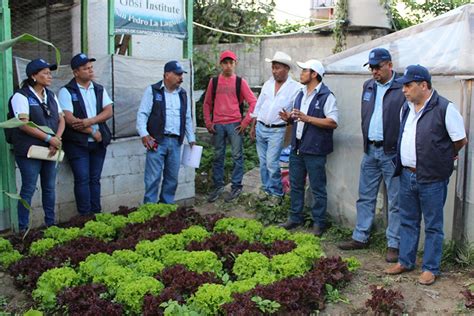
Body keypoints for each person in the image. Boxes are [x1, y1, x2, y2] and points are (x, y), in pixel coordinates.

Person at [384, 65, 467, 285]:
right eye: (403, 86)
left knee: (432, 224)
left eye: (408, 85)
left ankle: (431, 267)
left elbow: (460, 140)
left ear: (424, 85)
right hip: (407, 176)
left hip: (432, 178)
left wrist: (440, 158)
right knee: (408, 221)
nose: (404, 90)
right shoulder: (406, 108)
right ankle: (405, 260)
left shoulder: (445, 108)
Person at [338, 48, 405, 263]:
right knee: (365, 196)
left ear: (389, 65)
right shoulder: (368, 86)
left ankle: (393, 244)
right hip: (370, 151)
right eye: (371, 68)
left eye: (377, 67)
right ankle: (360, 236)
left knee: (394, 200)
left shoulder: (402, 86)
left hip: (391, 152)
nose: (374, 71)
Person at [279, 60, 338, 237]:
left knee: (317, 187)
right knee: (296, 184)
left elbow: (333, 122)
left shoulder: (327, 96)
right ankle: (295, 217)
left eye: (305, 70)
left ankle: (319, 222)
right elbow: (299, 117)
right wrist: (289, 118)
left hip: (315, 149)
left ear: (314, 74)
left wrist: (308, 118)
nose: (301, 73)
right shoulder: (301, 93)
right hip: (298, 147)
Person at [8, 58, 65, 231]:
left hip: (51, 149)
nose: (49, 76)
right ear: (33, 76)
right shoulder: (21, 96)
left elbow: (61, 119)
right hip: (30, 150)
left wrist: (57, 139)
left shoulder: (51, 95)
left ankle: (50, 224)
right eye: (45, 73)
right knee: (29, 187)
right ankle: (23, 229)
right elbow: (23, 124)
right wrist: (49, 139)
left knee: (49, 187)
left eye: (50, 73)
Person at [58, 53, 113, 215]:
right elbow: (69, 119)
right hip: (77, 143)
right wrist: (91, 131)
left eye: (91, 67)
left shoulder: (98, 89)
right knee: (82, 179)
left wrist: (90, 122)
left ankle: (96, 213)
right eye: (85, 68)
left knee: (95, 180)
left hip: (98, 143)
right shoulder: (67, 91)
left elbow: (108, 111)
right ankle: (85, 215)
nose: (90, 71)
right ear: (76, 72)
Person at [136, 60, 195, 204]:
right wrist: (144, 134)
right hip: (156, 141)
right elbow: (142, 115)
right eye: (178, 74)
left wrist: (191, 138)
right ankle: (149, 210)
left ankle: (165, 209)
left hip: (176, 142)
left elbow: (187, 117)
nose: (181, 78)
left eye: (182, 75)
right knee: (152, 178)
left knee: (172, 178)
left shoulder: (182, 94)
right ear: (167, 75)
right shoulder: (153, 91)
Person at [203, 50, 257, 202]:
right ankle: (218, 186)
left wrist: (245, 122)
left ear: (235, 64)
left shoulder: (240, 82)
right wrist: (208, 122)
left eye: (231, 63)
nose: (228, 66)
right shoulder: (214, 82)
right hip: (218, 124)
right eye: (225, 63)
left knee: (237, 156)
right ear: (221, 64)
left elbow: (253, 102)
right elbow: (207, 104)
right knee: (218, 156)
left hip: (235, 124)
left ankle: (236, 186)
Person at [250, 51, 302, 205]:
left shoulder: (296, 88)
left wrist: (290, 119)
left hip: (277, 130)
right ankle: (266, 189)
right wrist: (253, 126)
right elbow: (259, 106)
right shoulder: (268, 83)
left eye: (277, 68)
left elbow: (296, 111)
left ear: (286, 68)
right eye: (273, 67)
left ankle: (276, 193)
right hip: (261, 127)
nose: (274, 71)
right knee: (263, 162)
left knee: (272, 162)